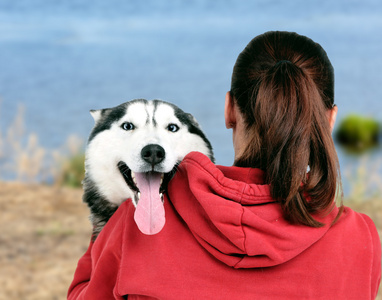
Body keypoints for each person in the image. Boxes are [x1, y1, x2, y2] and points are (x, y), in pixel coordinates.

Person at [68, 31, 381, 299]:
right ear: (330, 119)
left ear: (229, 109)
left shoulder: (134, 226)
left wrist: (105, 227)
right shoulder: (358, 240)